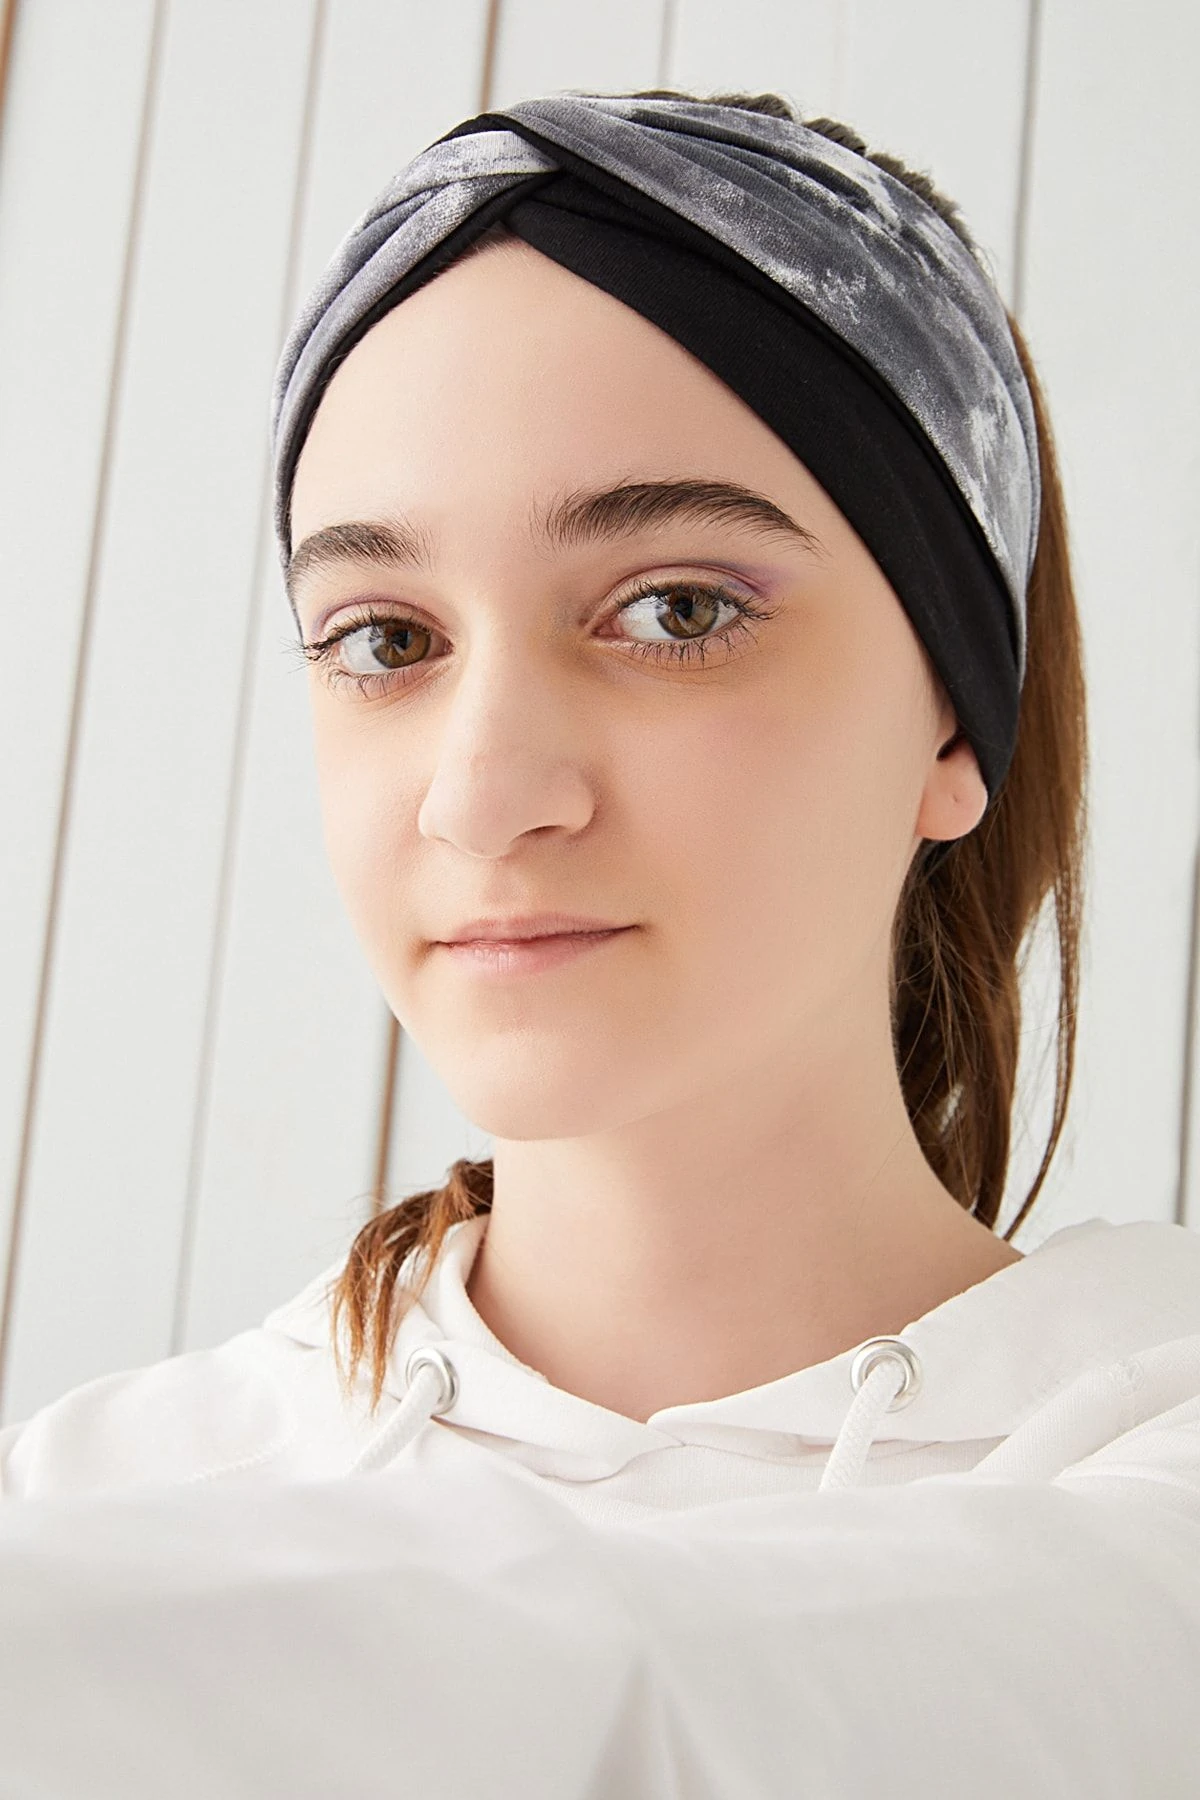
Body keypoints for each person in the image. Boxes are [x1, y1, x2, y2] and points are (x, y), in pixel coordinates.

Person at [1, 87, 1198, 1799]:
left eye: (677, 611)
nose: (482, 795)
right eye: (385, 637)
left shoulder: (1152, 1439)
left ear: (953, 718)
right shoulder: (97, 1490)